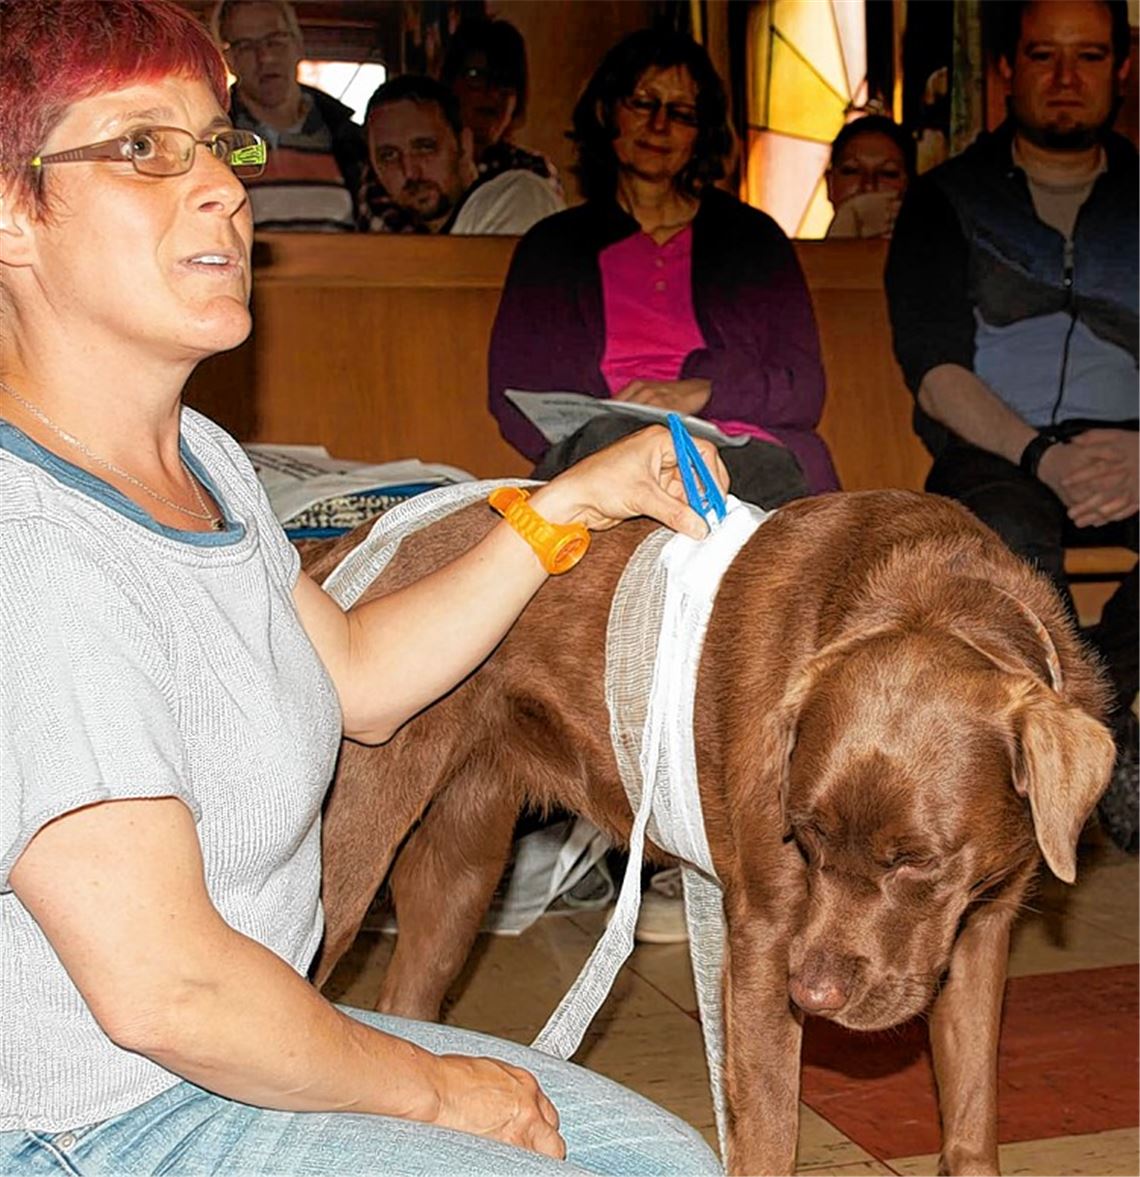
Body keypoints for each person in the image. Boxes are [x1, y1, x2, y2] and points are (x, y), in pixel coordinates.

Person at [0, 3, 726, 1174]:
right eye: (143, 148)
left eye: (219, 141)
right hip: (90, 1118)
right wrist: (439, 1091)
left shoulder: (199, 458)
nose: (225, 189)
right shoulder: (29, 547)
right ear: (10, 212)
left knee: (669, 1162)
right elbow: (168, 990)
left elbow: (359, 680)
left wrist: (565, 508)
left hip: (241, 1043)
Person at [488, 28, 838, 943]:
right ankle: (618, 824)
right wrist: (630, 426)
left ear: (704, 132)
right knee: (613, 509)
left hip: (743, 450)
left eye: (681, 111)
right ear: (607, 111)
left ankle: (719, 841)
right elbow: (515, 398)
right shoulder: (557, 245)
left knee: (748, 548)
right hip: (605, 450)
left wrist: (700, 394)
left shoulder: (752, 241)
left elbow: (803, 385)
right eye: (642, 102)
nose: (658, 125)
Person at [885, 0, 1138, 852]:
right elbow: (935, 370)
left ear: (1122, 69)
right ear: (1005, 69)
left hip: (1134, 446)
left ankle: (1098, 722)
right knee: (1006, 532)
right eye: (1043, 56)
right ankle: (1097, 739)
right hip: (996, 450)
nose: (1066, 80)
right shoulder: (944, 200)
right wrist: (1041, 454)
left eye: (1090, 56)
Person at [211, 0, 367, 231]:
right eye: (245, 46)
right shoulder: (214, 140)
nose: (265, 57)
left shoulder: (348, 138)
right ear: (229, 59)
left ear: (298, 45)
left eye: (275, 41)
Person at [362, 75, 564, 235]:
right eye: (388, 156)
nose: (409, 171)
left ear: (464, 146)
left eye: (424, 147)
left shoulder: (517, 197)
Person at [439, 17, 562, 194]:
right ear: (450, 82)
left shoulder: (532, 171)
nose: (493, 93)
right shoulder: (420, 168)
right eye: (476, 76)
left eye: (505, 81)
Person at [825, 113, 916, 239]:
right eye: (852, 171)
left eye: (888, 173)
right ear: (830, 184)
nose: (868, 185)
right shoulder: (796, 256)